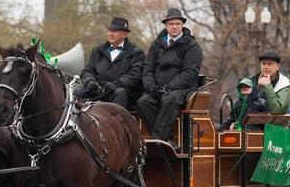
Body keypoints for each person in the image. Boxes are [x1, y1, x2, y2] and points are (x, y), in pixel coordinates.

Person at [137, 8, 203, 151]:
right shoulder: (156, 45)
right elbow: (148, 68)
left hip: (181, 89)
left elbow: (190, 72)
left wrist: (170, 87)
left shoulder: (191, 46)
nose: (174, 27)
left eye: (177, 24)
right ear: (166, 26)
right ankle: (166, 138)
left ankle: (158, 141)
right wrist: (150, 86)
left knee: (170, 99)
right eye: (171, 24)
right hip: (157, 88)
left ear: (182, 26)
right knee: (143, 102)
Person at [74, 17, 145, 109]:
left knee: (120, 93)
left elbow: (134, 75)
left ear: (125, 34)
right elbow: (88, 70)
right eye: (109, 31)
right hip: (99, 88)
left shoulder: (136, 52)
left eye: (114, 31)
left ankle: (116, 123)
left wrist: (116, 84)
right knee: (77, 93)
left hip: (122, 90)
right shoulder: (98, 50)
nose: (110, 34)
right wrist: (90, 82)